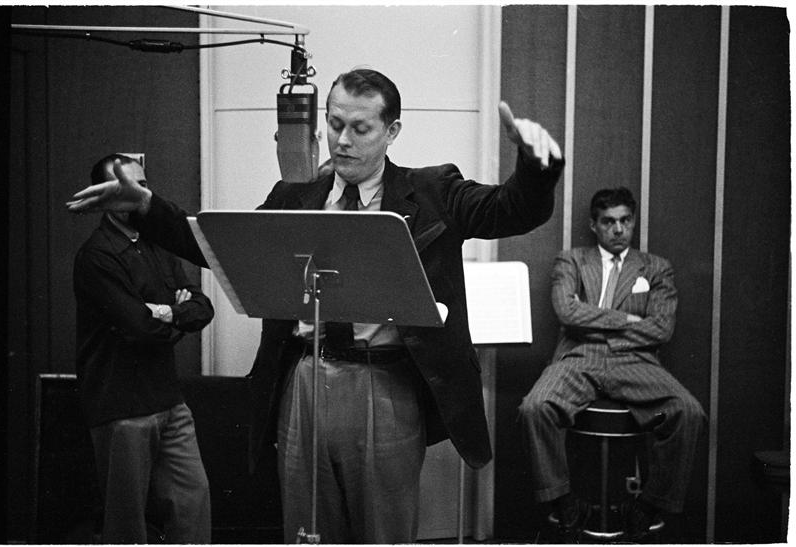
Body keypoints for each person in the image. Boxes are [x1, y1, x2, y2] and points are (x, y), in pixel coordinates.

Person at [67, 69, 564, 543]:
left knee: (383, 533)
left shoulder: (434, 190)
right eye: (334, 123)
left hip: (387, 383)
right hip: (304, 379)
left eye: (360, 129)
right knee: (308, 530)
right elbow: (216, 244)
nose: (342, 140)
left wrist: (536, 168)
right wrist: (147, 206)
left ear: (391, 132)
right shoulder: (294, 196)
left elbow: (510, 209)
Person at [518, 187, 706, 542]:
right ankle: (562, 500)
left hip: (634, 359)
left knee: (688, 411)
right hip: (577, 357)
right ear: (594, 225)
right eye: (608, 222)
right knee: (534, 407)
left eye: (625, 220)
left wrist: (596, 325)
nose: (618, 229)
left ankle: (649, 504)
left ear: (633, 221)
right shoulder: (571, 261)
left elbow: (661, 328)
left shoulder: (656, 268)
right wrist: (627, 321)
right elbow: (566, 311)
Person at [73, 154, 215, 544]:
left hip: (169, 400)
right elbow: (138, 327)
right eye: (124, 186)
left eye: (142, 185)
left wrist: (166, 312)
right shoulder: (96, 255)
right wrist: (176, 314)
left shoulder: (159, 244)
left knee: (193, 502)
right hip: (122, 406)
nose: (135, 193)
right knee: (127, 523)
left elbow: (203, 307)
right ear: (103, 196)